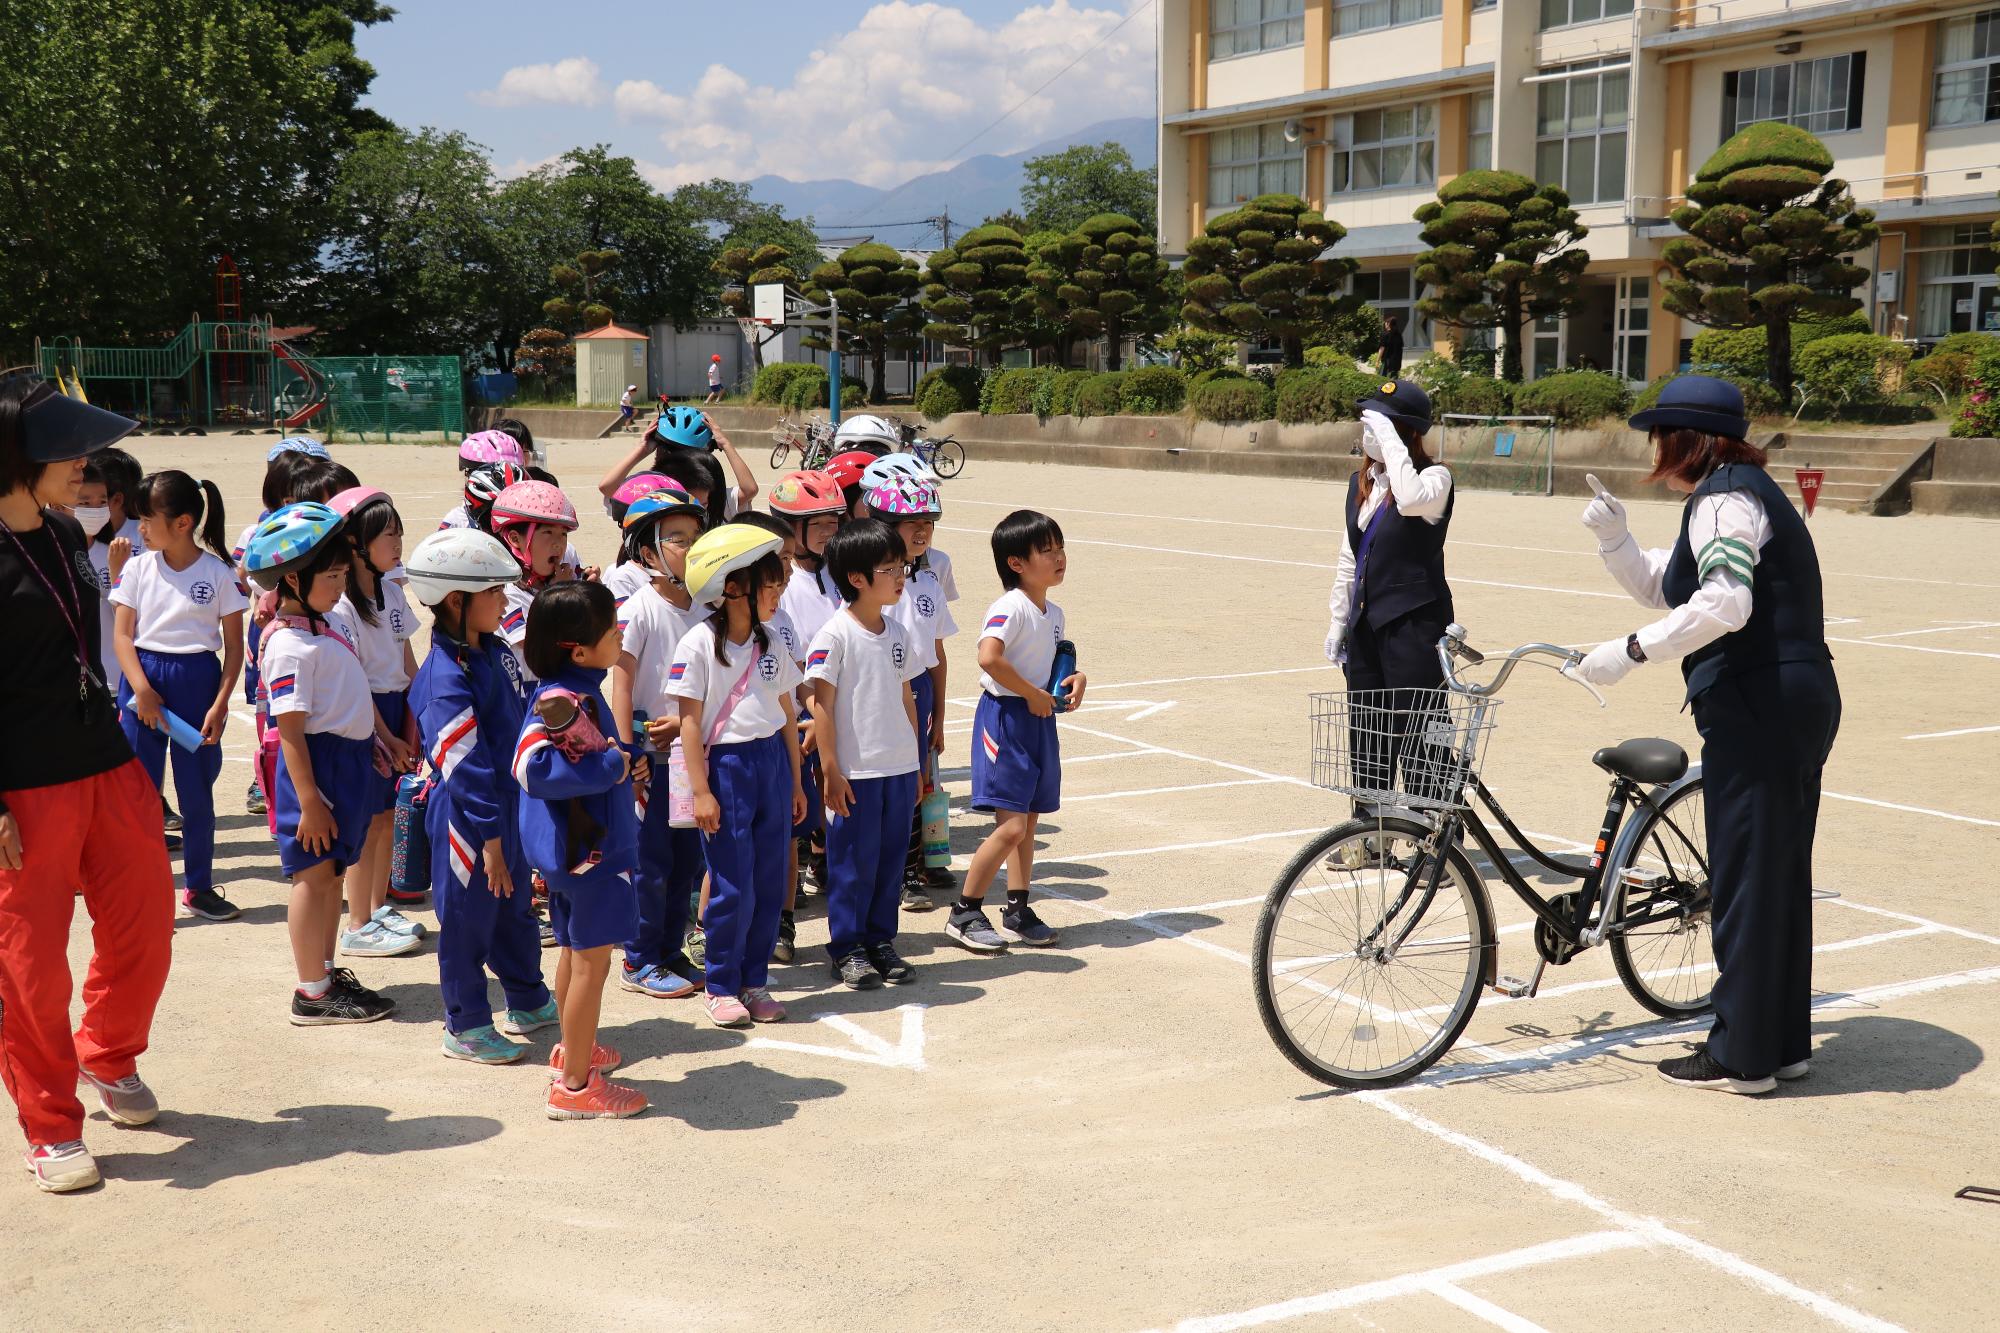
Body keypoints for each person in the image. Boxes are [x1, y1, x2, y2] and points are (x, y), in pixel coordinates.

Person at [1571, 375, 1840, 1096]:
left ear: (1689, 439)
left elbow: (1724, 600)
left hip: (1762, 704)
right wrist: (1617, 540)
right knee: (1775, 875)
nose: (1656, 449)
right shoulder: (1734, 491)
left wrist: (1627, 653)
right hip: (1791, 697)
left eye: (1661, 436)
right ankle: (1778, 1044)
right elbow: (1673, 586)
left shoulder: (1723, 498)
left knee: (1746, 879)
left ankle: (1742, 1055)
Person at [0, 373, 174, 1194]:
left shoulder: (68, 531)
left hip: (105, 759)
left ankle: (109, 1053)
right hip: (24, 783)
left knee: (145, 919)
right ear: (17, 454)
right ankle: (49, 1120)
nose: (85, 463)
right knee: (33, 966)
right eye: (65, 450)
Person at [242, 502, 398, 1026]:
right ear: (292, 577)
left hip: (348, 760)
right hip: (316, 768)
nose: (338, 584)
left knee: (332, 872)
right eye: (330, 576)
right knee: (312, 876)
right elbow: (289, 733)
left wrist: (382, 739)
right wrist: (309, 801)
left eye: (340, 573)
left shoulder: (326, 624)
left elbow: (351, 691)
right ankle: (311, 991)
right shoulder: (287, 645)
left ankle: (326, 975)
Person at [405, 528, 555, 1066]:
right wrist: (491, 839)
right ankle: (465, 1023)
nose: (503, 600)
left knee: (514, 906)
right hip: (468, 821)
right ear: (455, 601)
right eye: (493, 592)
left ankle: (527, 996)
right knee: (468, 917)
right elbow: (464, 768)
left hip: (507, 808)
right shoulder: (443, 678)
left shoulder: (494, 651)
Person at [514, 581, 648, 1119]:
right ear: (579, 649)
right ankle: (574, 1087)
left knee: (574, 949)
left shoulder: (571, 688)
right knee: (592, 960)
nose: (619, 636)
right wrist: (613, 765)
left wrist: (626, 758)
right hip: (591, 855)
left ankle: (573, 1050)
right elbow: (532, 767)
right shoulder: (563, 698)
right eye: (610, 631)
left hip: (574, 853)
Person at [668, 525, 806, 1029]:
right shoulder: (698, 643)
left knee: (770, 883)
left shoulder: (771, 642)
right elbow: (687, 722)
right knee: (732, 884)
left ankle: (755, 980)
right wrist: (701, 790)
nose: (778, 594)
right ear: (731, 588)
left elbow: (787, 712)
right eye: (770, 586)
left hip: (770, 761)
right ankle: (723, 983)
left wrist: (793, 781)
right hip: (724, 768)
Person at [111, 470, 249, 922]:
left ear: (183, 522)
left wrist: (221, 701)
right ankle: (142, 886)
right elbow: (122, 637)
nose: (140, 529)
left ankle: (199, 887)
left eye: (146, 519)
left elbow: (233, 647)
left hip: (197, 684)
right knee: (140, 794)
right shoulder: (136, 567)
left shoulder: (217, 573)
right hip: (142, 684)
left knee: (196, 796)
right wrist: (143, 690)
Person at [950, 509, 1083, 953]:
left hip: (1036, 718)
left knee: (1028, 822)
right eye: (1046, 550)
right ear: (1015, 563)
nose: (1059, 556)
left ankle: (1017, 908)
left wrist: (1074, 679)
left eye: (1060, 547)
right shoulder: (1010, 606)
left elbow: (1046, 661)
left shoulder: (1053, 611)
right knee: (1010, 827)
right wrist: (1028, 693)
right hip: (1006, 719)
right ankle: (964, 910)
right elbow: (989, 657)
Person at [1323, 381, 1454, 817]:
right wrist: (1339, 621)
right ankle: (1369, 834)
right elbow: (1349, 557)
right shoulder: (1362, 483)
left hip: (1414, 625)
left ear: (1405, 434)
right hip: (1367, 625)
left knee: (1418, 729)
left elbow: (1412, 499)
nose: (1370, 435)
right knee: (1368, 731)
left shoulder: (1436, 479)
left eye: (1380, 425)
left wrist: (1393, 442)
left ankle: (1432, 835)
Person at [807, 520, 924, 989]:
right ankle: (848, 947)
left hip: (897, 768)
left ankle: (880, 940)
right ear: (856, 578)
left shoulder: (896, 631)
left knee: (891, 861)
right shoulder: (834, 635)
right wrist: (831, 769)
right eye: (889, 568)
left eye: (902, 567)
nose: (900, 576)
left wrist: (916, 764)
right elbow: (821, 705)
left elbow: (907, 697)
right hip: (856, 772)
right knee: (852, 863)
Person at [607, 487, 710, 1000]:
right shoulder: (637, 609)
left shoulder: (707, 605)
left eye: (695, 537)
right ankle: (639, 956)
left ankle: (670, 948)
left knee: (687, 859)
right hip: (652, 758)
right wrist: (627, 752)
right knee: (651, 863)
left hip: (693, 757)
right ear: (647, 552)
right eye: (676, 539)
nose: (690, 547)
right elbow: (621, 684)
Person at [326, 488, 423, 959]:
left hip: (394, 711)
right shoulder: (342, 605)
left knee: (388, 818)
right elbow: (357, 681)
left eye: (399, 531)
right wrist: (387, 738)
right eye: (388, 534)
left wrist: (419, 715)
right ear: (356, 542)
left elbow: (408, 662)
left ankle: (377, 908)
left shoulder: (391, 592)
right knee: (366, 822)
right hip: (367, 718)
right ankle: (357, 922)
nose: (398, 542)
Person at [865, 474, 957, 907]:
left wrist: (939, 713)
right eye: (910, 522)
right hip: (877, 692)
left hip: (918, 688)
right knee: (880, 783)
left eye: (929, 522)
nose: (921, 531)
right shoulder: (870, 584)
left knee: (917, 782)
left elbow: (935, 653)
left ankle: (909, 872)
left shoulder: (928, 582)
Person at [597, 405, 759, 525]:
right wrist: (641, 449)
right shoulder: (654, 495)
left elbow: (749, 489)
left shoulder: (713, 500)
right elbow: (607, 487)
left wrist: (725, 443)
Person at [488, 480, 578, 682]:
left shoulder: (552, 583)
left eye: (563, 534)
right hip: (525, 695)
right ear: (515, 539)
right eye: (547, 532)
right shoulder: (507, 593)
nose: (559, 544)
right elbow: (534, 646)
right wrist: (557, 595)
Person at [75, 447, 143, 695]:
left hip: (120, 675)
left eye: (101, 501)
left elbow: (133, 618)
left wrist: (117, 575)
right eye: (84, 502)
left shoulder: (129, 544)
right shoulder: (59, 547)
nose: (94, 509)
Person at [1380, 314, 1405, 380]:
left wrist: (1377, 360)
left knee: (1382, 379)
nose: (1385, 325)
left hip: (1387, 361)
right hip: (1397, 362)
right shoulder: (1399, 335)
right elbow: (1401, 347)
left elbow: (1382, 348)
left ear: (1388, 324)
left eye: (1385, 323)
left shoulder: (1385, 334)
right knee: (1394, 381)